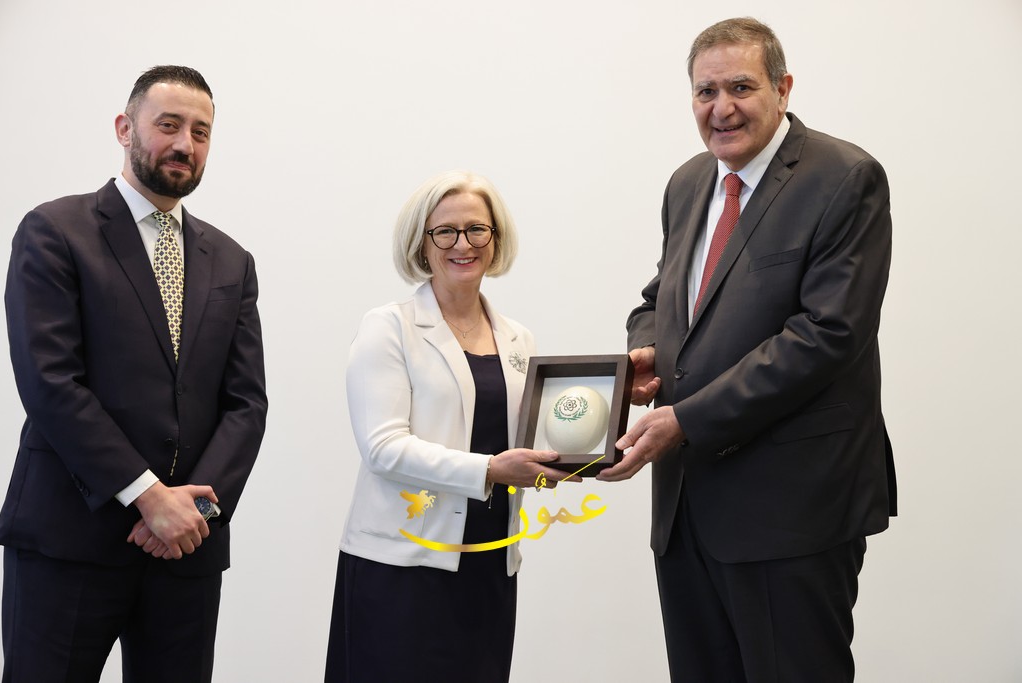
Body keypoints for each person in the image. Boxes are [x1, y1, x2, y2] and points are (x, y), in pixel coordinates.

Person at [597, 18, 897, 682]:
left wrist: (686, 419)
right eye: (705, 92)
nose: (721, 108)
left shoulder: (845, 179)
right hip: (687, 508)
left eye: (740, 87)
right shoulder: (688, 183)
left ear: (783, 89)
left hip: (791, 509)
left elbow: (827, 335)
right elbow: (661, 300)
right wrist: (648, 350)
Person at [0, 65, 268, 682]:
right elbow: (50, 382)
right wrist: (148, 497)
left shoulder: (232, 260)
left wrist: (194, 514)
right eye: (168, 125)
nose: (185, 144)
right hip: (70, 540)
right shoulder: (55, 231)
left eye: (200, 132)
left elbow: (246, 404)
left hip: (186, 550)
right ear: (125, 128)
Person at [325, 170, 571, 683]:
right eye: (446, 232)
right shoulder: (388, 327)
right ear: (422, 242)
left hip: (490, 563)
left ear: (495, 238)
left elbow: (534, 434)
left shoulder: (519, 339)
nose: (463, 244)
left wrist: (579, 439)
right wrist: (491, 470)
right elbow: (383, 448)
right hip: (403, 567)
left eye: (477, 229)